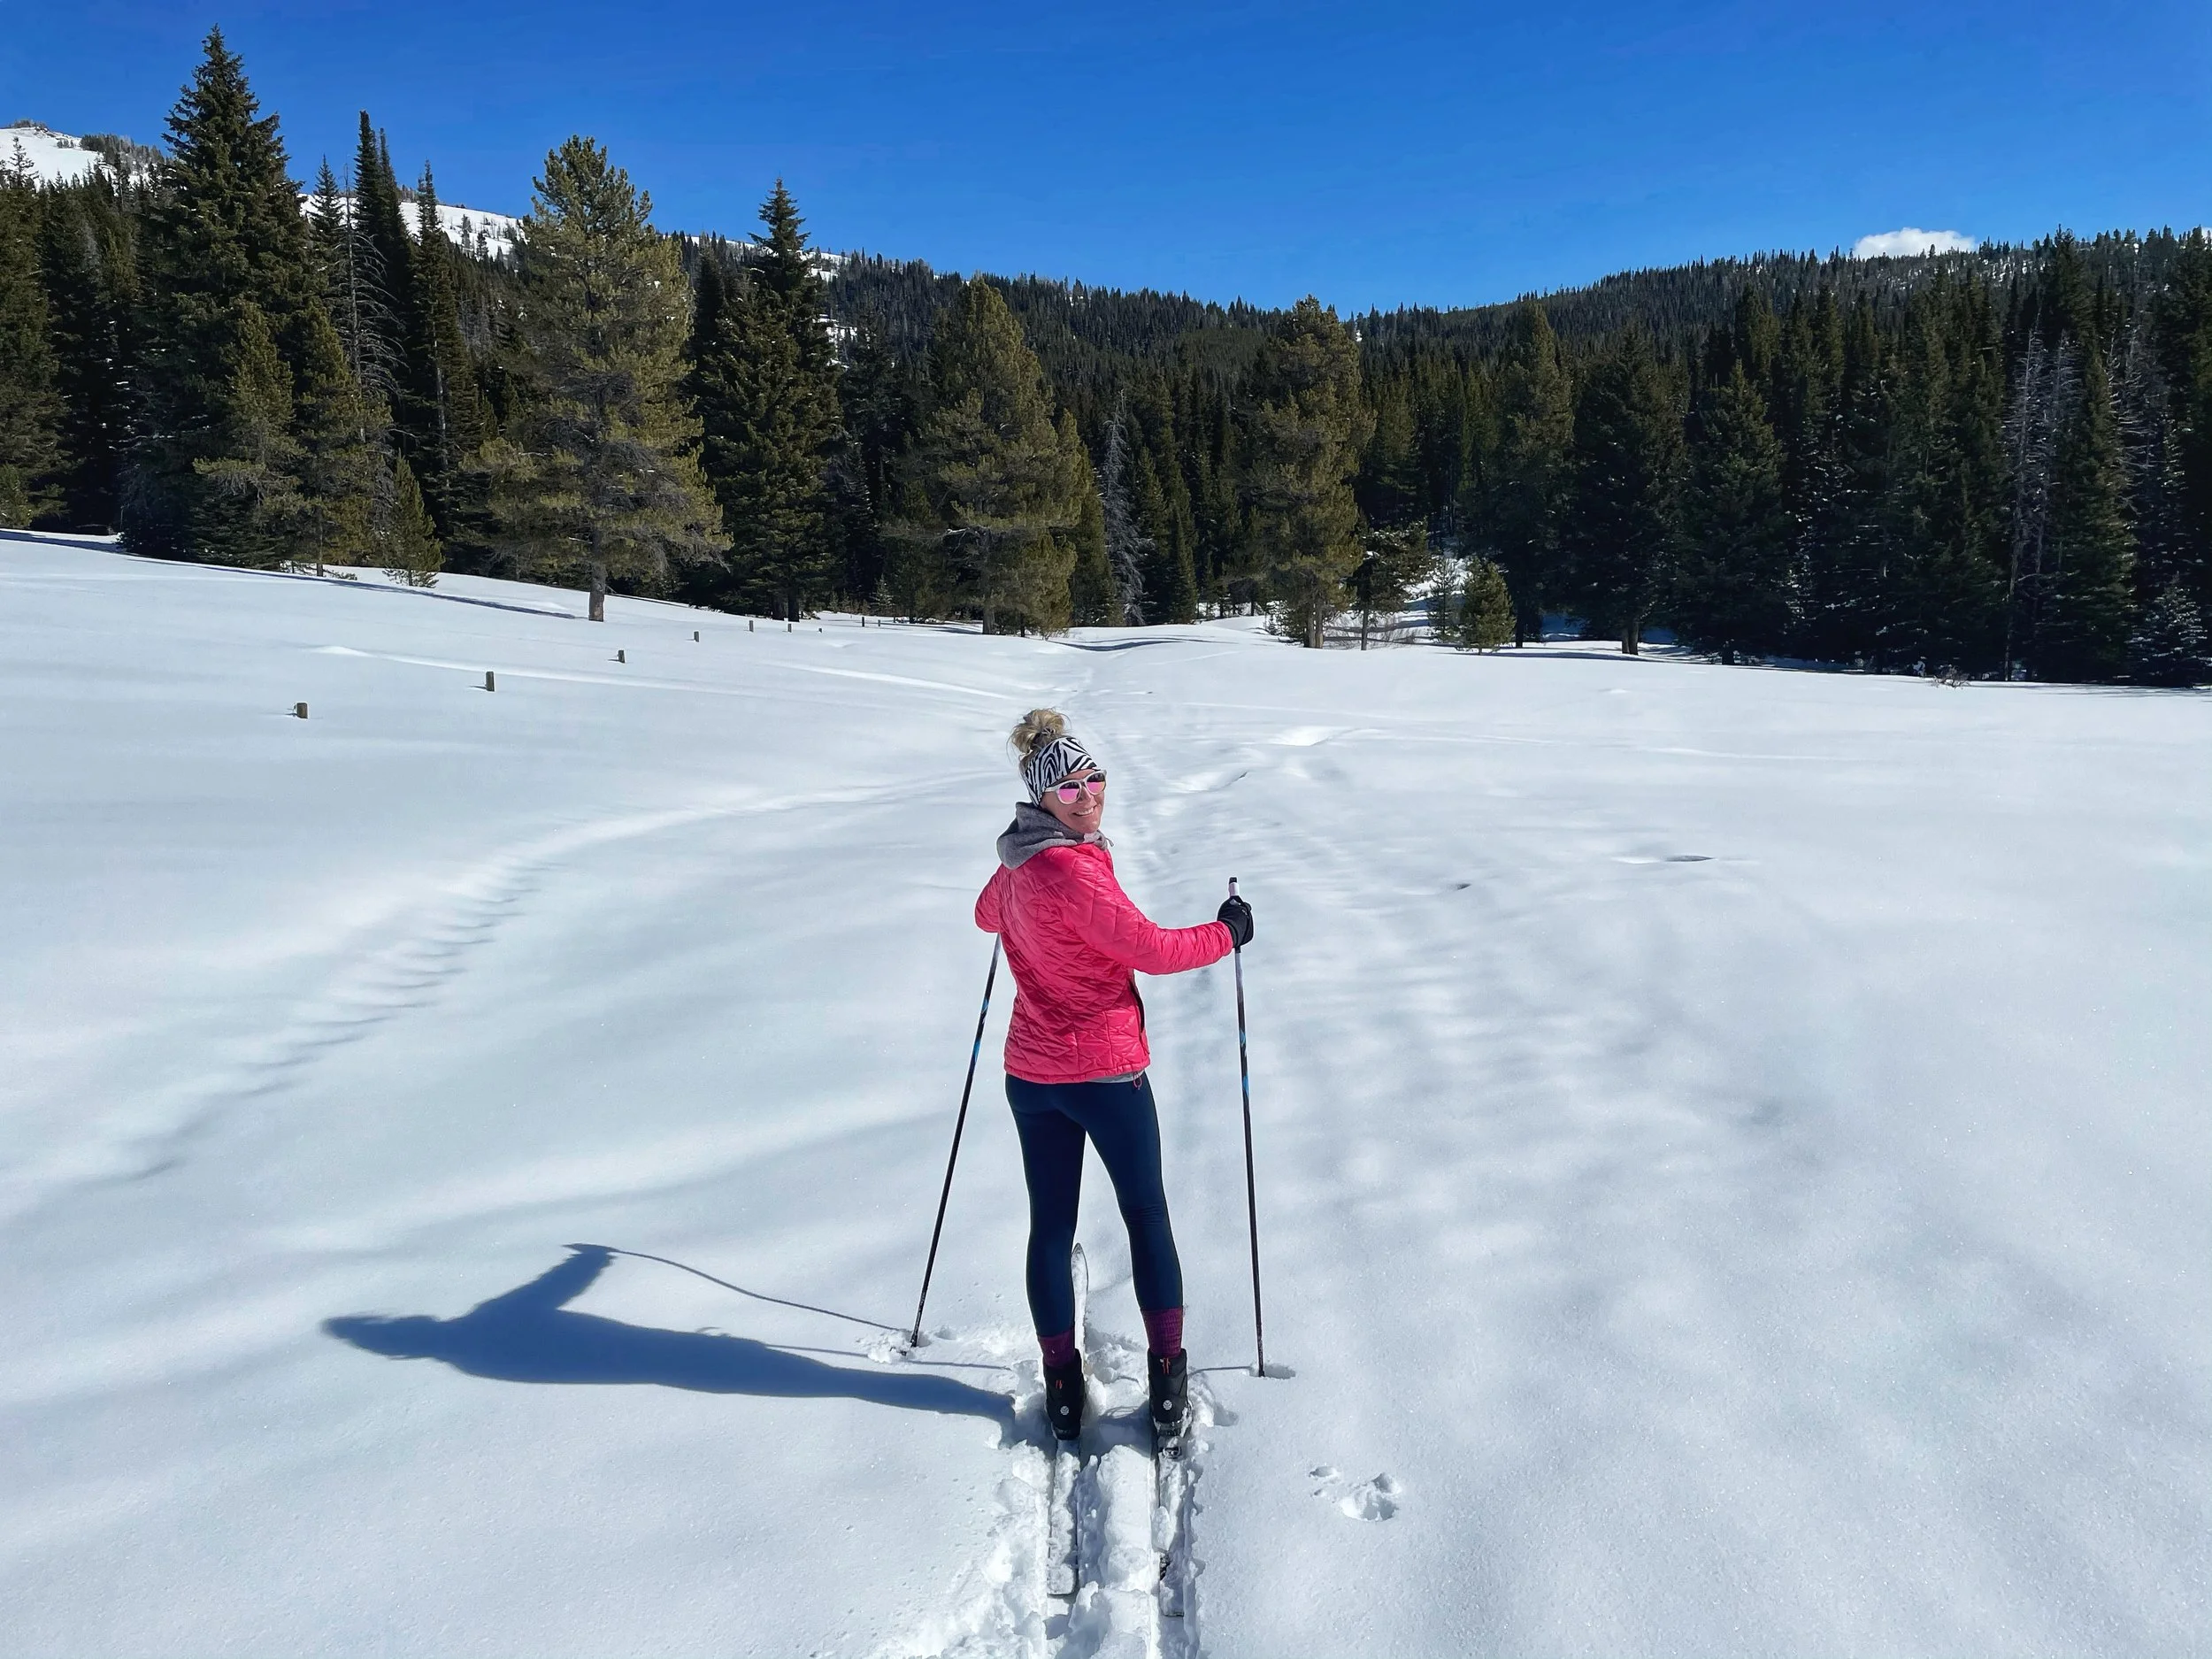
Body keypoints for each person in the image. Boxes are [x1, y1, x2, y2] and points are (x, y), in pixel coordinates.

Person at [974, 709, 1255, 1448]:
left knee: (1051, 1226)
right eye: (1067, 787)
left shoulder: (1026, 859)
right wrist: (1227, 932)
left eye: (1094, 776)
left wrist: (1016, 855)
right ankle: (1166, 1386)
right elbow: (1152, 949)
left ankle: (1063, 1385)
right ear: (1042, 798)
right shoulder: (1071, 867)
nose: (1088, 793)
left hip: (1031, 1076)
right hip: (1105, 1071)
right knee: (1146, 1217)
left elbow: (984, 913)